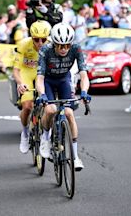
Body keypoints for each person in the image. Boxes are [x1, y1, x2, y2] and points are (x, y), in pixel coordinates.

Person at [36, 23, 91, 171]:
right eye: (60, 46)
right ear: (54, 43)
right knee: (50, 110)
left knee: (69, 113)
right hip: (47, 81)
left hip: (63, 80)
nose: (63, 49)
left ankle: (75, 156)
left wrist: (84, 91)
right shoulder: (45, 50)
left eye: (67, 46)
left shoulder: (76, 49)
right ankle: (45, 138)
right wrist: (42, 94)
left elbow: (84, 74)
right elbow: (39, 78)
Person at [13, 20, 51, 154]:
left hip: (42, 73)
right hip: (27, 73)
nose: (40, 43)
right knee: (28, 106)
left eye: (43, 39)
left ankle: (48, 133)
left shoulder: (51, 45)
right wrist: (19, 83)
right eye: (36, 39)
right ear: (31, 37)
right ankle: (24, 133)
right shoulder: (23, 44)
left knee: (50, 105)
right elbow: (16, 70)